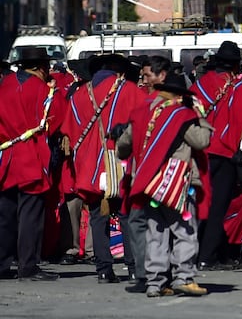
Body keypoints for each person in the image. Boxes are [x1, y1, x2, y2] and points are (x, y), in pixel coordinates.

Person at [116, 71, 212, 298]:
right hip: (175, 184)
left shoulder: (142, 114)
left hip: (149, 184)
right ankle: (183, 277)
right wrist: (200, 116)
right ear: (179, 95)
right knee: (184, 231)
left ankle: (154, 282)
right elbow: (202, 141)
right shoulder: (181, 115)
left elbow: (123, 145)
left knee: (155, 232)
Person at [62, 53, 147, 284]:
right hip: (119, 163)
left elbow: (68, 130)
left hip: (89, 166)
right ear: (119, 72)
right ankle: (133, 267)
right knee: (126, 215)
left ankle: (103, 270)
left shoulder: (79, 94)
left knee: (97, 218)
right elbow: (143, 124)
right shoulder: (129, 91)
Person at [0, 51, 66, 281]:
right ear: (41, 67)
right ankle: (27, 266)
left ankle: (2, 263)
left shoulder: (4, 85)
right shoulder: (42, 90)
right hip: (30, 156)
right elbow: (55, 119)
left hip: (6, 155)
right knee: (30, 215)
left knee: (5, 215)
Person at [192, 40, 242, 271]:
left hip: (200, 151)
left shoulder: (200, 85)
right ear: (237, 65)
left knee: (201, 205)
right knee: (219, 207)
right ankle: (208, 256)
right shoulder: (238, 88)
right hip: (224, 153)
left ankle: (200, 252)